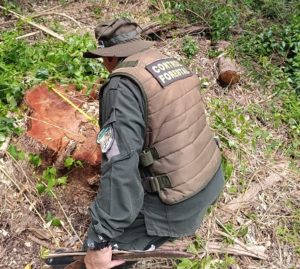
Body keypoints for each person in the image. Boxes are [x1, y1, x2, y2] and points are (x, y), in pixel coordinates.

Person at [82, 18, 225, 269]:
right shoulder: (169, 62)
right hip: (210, 180)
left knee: (97, 261)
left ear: (110, 57)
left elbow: (119, 164)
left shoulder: (122, 85)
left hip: (179, 204)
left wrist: (101, 238)